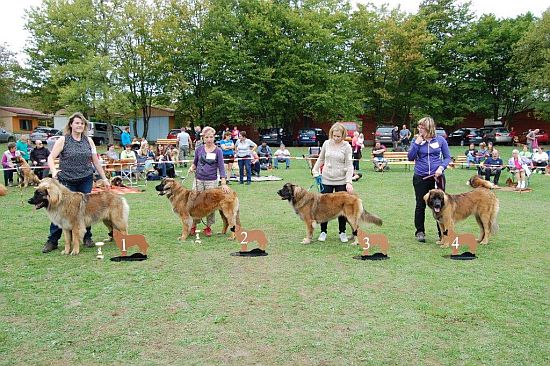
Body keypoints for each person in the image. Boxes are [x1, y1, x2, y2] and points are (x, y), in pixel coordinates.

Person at [43, 112, 111, 253]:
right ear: (71, 125)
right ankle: (52, 241)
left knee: (85, 210)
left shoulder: (89, 141)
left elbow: (95, 161)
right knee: (60, 210)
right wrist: (54, 171)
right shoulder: (63, 140)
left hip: (85, 178)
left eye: (82, 123)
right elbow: (50, 157)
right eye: (77, 123)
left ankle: (87, 238)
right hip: (67, 181)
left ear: (84, 126)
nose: (79, 125)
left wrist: (104, 178)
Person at [407, 117, 451, 243]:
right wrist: (417, 143)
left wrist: (441, 168)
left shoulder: (440, 140)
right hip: (420, 177)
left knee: (440, 205)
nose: (419, 129)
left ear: (429, 127)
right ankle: (420, 231)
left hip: (436, 177)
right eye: (419, 126)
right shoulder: (417, 140)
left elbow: (447, 157)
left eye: (422, 127)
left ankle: (442, 233)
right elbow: (410, 157)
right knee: (420, 204)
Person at [312, 122, 354, 243]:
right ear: (331, 134)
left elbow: (349, 165)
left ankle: (342, 232)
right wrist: (315, 170)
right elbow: (321, 158)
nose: (336, 138)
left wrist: (349, 182)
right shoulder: (326, 143)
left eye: (338, 136)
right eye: (334, 136)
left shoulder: (347, 146)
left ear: (343, 135)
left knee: (342, 208)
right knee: (323, 207)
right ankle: (323, 231)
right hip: (326, 179)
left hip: (341, 180)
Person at [188, 126, 230, 237]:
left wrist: (224, 183)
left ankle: (208, 227)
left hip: (211, 181)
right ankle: (193, 226)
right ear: (203, 138)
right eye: (207, 137)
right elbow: (195, 163)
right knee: (194, 204)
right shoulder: (199, 149)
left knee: (210, 205)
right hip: (198, 180)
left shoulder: (218, 151)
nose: (209, 139)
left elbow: (221, 168)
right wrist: (192, 167)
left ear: (214, 137)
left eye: (211, 137)